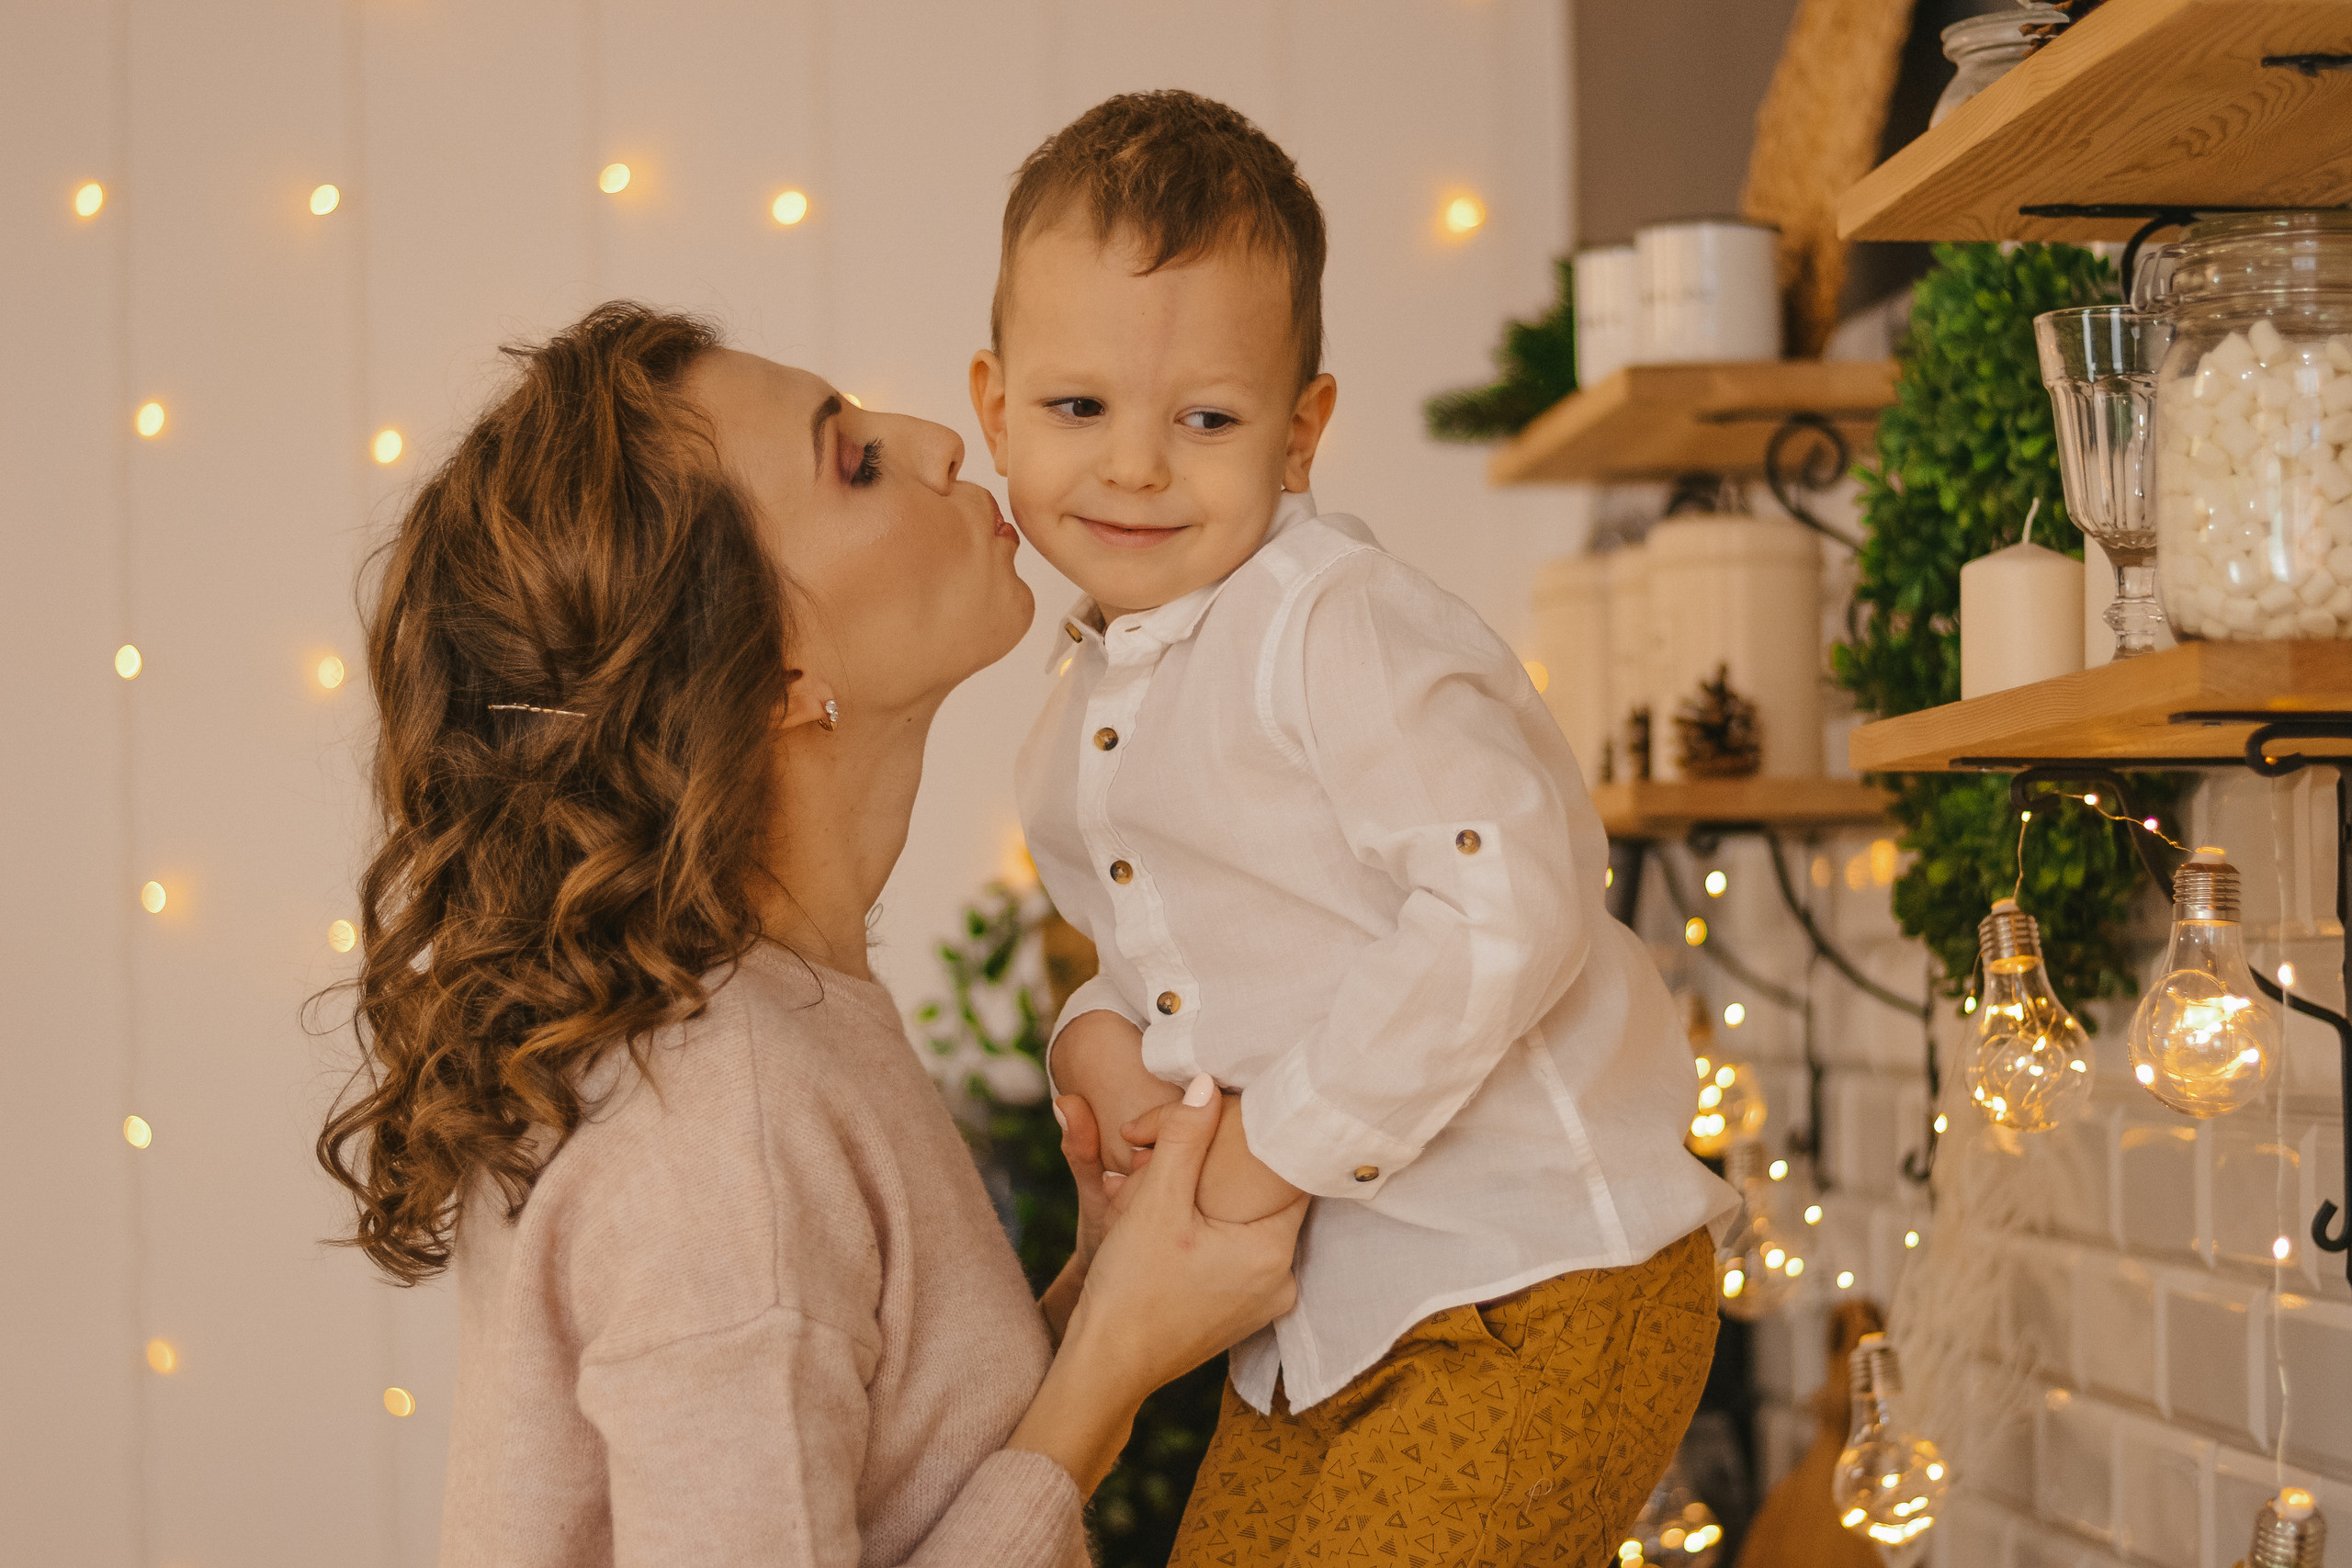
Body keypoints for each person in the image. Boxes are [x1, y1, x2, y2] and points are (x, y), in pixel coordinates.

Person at [314, 302, 1306, 1567]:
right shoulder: (721, 1130)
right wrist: (1104, 1378)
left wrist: (1103, 1290)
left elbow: (883, 1476)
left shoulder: (776, 1031)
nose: (945, 440)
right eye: (856, 461)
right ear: (771, 671)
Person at [968, 91, 1738, 1564]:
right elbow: (1175, 962)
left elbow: (1505, 904)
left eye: (1205, 418)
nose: (1135, 465)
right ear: (996, 404)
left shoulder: (1330, 626)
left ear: (1303, 429)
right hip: (1321, 1323)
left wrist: (1267, 1148)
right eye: (1079, 410)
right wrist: (1096, 1036)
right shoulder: (1080, 722)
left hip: (1532, 1284)